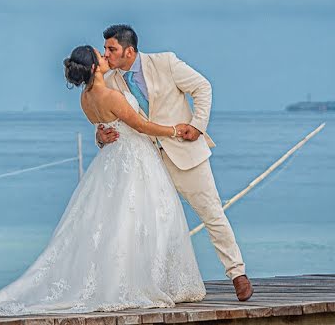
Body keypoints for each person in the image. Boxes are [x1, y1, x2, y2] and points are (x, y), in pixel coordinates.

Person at [0, 45, 206, 316]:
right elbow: (140, 126)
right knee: (141, 219)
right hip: (133, 161)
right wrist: (174, 130)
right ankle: (137, 281)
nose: (105, 55)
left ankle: (127, 278)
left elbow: (105, 128)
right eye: (101, 55)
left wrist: (100, 137)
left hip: (111, 162)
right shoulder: (111, 96)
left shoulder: (85, 99)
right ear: (95, 67)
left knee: (113, 222)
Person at [98, 24, 252, 302]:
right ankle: (156, 284)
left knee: (211, 213)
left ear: (129, 51)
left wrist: (198, 125)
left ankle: (237, 273)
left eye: (111, 49)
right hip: (146, 162)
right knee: (152, 223)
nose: (105, 54)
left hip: (185, 152)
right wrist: (100, 135)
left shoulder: (165, 62)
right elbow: (107, 117)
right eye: (105, 49)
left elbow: (202, 87)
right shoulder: (109, 81)